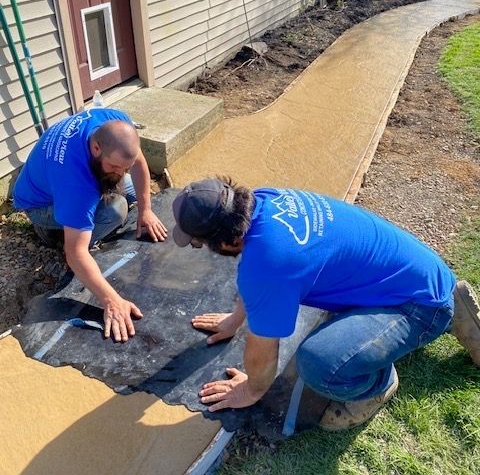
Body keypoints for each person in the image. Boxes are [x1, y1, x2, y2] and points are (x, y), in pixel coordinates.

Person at [172, 177, 480, 430]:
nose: (204, 248)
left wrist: (251, 389)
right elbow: (255, 279)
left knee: (320, 363)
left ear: (228, 240)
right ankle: (452, 298)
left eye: (201, 242)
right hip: (417, 273)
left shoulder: (269, 262)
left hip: (418, 305)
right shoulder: (265, 201)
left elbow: (263, 350)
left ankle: (379, 383)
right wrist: (235, 319)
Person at [13, 107, 167, 342]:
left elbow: (137, 164)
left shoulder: (113, 122)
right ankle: (53, 233)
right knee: (115, 210)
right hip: (41, 206)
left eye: (124, 167)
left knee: (130, 192)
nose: (122, 172)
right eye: (116, 167)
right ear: (96, 149)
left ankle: (76, 222)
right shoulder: (76, 181)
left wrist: (146, 211)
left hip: (53, 180)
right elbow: (75, 254)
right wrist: (112, 301)